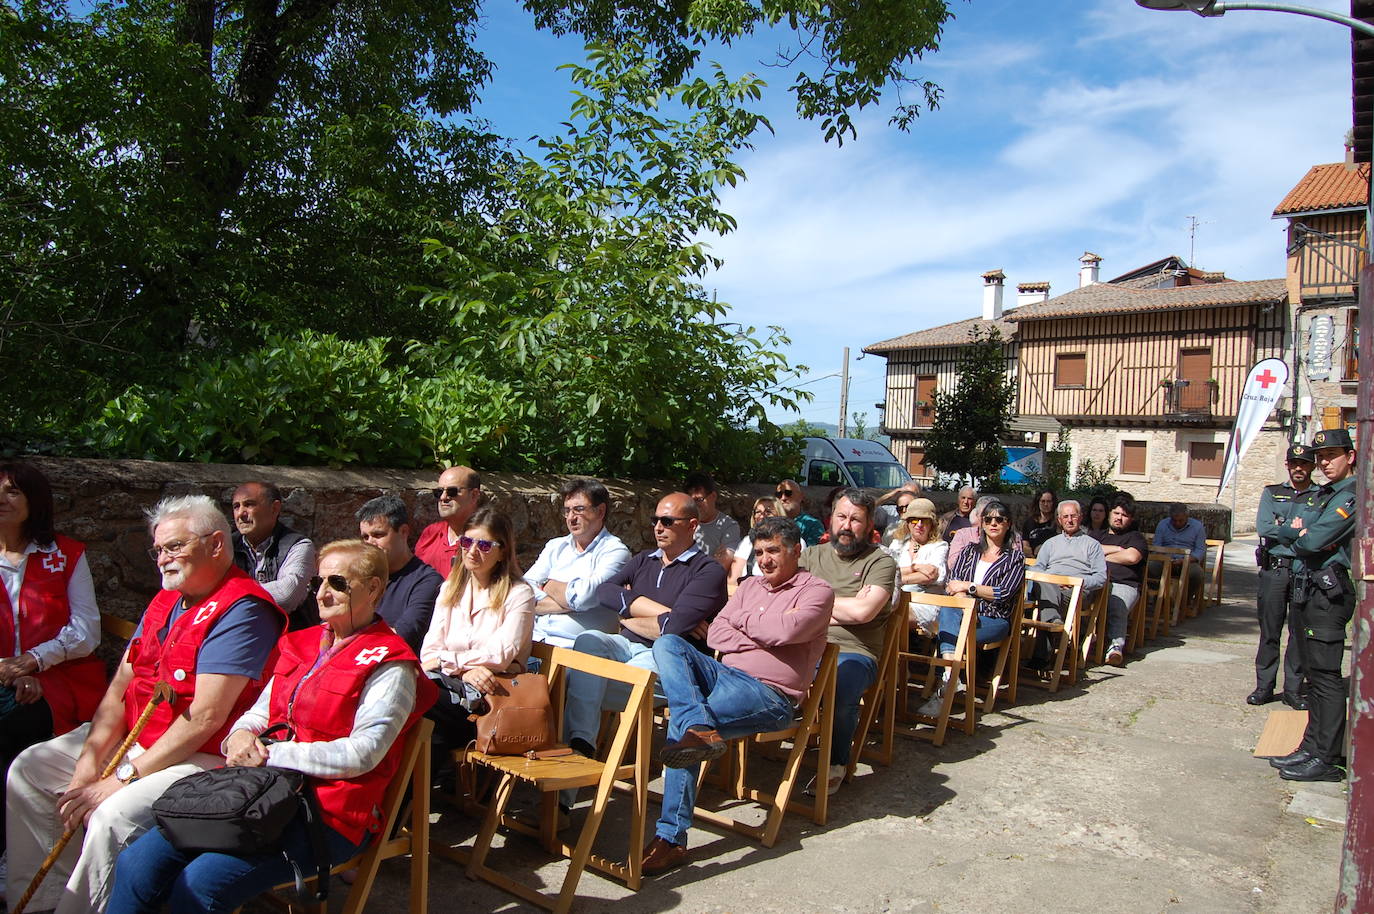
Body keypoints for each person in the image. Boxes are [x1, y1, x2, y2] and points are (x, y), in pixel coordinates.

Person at [106, 540, 436, 914]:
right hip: (257, 791)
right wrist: (241, 734)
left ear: (374, 588)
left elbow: (363, 753)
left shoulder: (391, 665)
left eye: (338, 583)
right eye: (318, 583)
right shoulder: (304, 642)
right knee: (138, 863)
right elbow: (261, 710)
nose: (324, 593)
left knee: (201, 886)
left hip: (326, 811)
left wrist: (270, 754)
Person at [7, 495, 284, 914]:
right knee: (29, 770)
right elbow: (122, 683)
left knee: (110, 816)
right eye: (157, 550)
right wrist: (88, 762)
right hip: (144, 735)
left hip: (202, 754)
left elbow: (206, 718)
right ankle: (40, 901)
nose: (162, 559)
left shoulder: (243, 610)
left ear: (215, 544)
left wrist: (119, 778)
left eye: (174, 547)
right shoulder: (167, 599)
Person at [641, 516, 832, 875]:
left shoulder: (816, 591)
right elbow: (716, 636)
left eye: (773, 550)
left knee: (684, 732)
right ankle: (697, 723)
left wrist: (745, 623)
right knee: (668, 642)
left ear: (796, 550)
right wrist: (763, 629)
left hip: (770, 695)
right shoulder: (748, 587)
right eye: (759, 552)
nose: (765, 559)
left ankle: (670, 838)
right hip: (725, 674)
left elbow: (787, 631)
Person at [563, 494, 727, 766]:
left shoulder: (707, 572)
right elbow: (604, 592)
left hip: (672, 661)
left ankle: (574, 765)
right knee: (587, 642)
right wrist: (665, 614)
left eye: (667, 521)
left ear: (692, 525)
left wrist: (626, 611)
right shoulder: (643, 560)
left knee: (575, 683)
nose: (658, 527)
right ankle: (581, 745)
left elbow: (672, 631)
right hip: (627, 647)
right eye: (655, 520)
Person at [0, 463, 106, 865]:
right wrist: (7, 672)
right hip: (7, 676)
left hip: (62, 676)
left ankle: (14, 854)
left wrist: (32, 663)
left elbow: (86, 629)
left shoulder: (64, 554)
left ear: (34, 501)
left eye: (12, 492)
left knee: (14, 727)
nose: (1, 499)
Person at [1271, 428, 1358, 783]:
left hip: (1329, 594)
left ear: (1350, 456)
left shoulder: (1350, 495)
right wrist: (1302, 533)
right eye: (1320, 457)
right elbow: (1290, 530)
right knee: (1312, 676)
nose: (1323, 463)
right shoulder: (1324, 494)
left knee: (1325, 678)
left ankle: (1327, 756)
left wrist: (1302, 533)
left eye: (1331, 456)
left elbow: (1313, 537)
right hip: (1309, 589)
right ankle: (1311, 747)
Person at [798, 489, 896, 797]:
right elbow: (785, 599)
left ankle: (836, 762)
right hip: (803, 644)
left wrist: (812, 606)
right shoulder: (811, 555)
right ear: (830, 519)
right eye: (841, 516)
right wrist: (841, 608)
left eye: (856, 519)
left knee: (841, 682)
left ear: (869, 527)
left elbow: (863, 612)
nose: (846, 524)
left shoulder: (880, 563)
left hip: (854, 652)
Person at [419, 507, 535, 755]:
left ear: (502, 551)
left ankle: (415, 789)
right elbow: (429, 651)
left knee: (416, 699)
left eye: (483, 545)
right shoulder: (451, 588)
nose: (471, 551)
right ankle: (418, 788)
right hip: (452, 690)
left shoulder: (519, 594)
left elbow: (499, 656)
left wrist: (445, 661)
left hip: (489, 703)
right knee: (415, 705)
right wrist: (465, 672)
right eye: (466, 541)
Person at [925, 500, 1025, 715]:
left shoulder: (1015, 558)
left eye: (1000, 519)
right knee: (950, 608)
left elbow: (1003, 593)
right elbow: (953, 581)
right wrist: (962, 594)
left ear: (1008, 524)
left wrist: (969, 588)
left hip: (993, 618)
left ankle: (946, 685)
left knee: (950, 626)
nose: (993, 523)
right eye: (988, 519)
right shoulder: (969, 551)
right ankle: (952, 678)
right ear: (982, 523)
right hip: (961, 612)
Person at [527, 478, 631, 648]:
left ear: (600, 511)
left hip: (575, 650)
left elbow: (586, 597)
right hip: (534, 640)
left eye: (578, 510)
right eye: (567, 511)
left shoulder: (615, 552)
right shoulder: (555, 546)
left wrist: (547, 585)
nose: (571, 518)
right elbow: (523, 590)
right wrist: (569, 602)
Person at [1249, 444, 1316, 709]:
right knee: (1269, 631)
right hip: (1274, 569)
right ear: (1287, 465)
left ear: (1311, 467)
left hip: (1304, 569)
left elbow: (1318, 532)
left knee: (1299, 633)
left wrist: (1283, 528)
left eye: (1304, 463)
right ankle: (1263, 687)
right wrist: (1298, 530)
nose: (1299, 468)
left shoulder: (1320, 495)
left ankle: (1293, 690)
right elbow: (1264, 527)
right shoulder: (1272, 493)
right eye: (1294, 463)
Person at [356, 495, 443, 653]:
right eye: (365, 537)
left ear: (403, 532)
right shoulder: (359, 577)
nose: (369, 544)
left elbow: (403, 636)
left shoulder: (427, 581)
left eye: (378, 535)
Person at [1027, 500, 1107, 671]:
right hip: (1050, 587)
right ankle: (1053, 622)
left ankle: (1042, 655)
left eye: (1073, 516)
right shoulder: (1051, 543)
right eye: (1065, 517)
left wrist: (1074, 580)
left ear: (1080, 517)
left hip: (1075, 592)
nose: (1069, 520)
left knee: (1045, 597)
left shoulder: (1092, 545)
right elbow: (1039, 567)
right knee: (1043, 580)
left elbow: (1101, 577)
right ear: (1059, 520)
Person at [229, 481, 317, 629]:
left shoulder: (298, 545)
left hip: (287, 637)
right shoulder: (226, 546)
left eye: (249, 504)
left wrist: (228, 595)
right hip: (236, 630)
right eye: (236, 506)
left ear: (275, 508)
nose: (241, 514)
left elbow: (287, 595)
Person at [1095, 496, 1148, 667]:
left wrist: (1100, 555)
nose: (1119, 517)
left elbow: (1132, 557)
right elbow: (1085, 553)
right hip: (1096, 581)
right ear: (1109, 514)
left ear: (1130, 518)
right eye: (1116, 513)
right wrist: (1117, 551)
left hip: (1124, 584)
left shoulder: (1135, 538)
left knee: (1117, 602)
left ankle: (1115, 646)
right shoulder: (1097, 535)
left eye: (1124, 515)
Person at [892, 498, 948, 636]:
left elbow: (933, 576)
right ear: (908, 522)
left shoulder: (939, 546)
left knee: (890, 616)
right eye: (915, 520)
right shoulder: (898, 544)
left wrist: (897, 579)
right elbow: (887, 571)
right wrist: (915, 568)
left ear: (932, 524)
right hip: (897, 600)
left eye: (925, 520)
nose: (919, 525)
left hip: (925, 604)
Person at [414, 466, 482, 576]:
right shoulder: (431, 533)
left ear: (474, 495)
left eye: (452, 491)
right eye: (439, 492)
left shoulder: (485, 541)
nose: (443, 497)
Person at [1151, 503, 1206, 606]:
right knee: (1148, 567)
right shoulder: (1163, 524)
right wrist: (1163, 557)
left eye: (1181, 520)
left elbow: (1200, 550)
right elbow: (1156, 545)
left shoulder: (1197, 527)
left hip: (1186, 560)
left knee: (1196, 574)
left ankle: (1184, 600)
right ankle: (1159, 596)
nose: (1177, 523)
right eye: (1174, 520)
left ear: (1187, 517)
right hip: (1165, 559)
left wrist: (1186, 560)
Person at [684, 472, 741, 571]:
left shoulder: (729, 526)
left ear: (713, 496)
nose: (694, 505)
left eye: (699, 499)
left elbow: (721, 566)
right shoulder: (683, 523)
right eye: (691, 500)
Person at [731, 496, 785, 583]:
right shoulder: (747, 541)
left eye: (768, 511)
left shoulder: (791, 540)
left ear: (779, 514)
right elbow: (733, 577)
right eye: (758, 512)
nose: (762, 515)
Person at [946, 496, 995, 573]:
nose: (992, 522)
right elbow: (953, 564)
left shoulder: (1012, 537)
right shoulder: (963, 535)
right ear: (977, 516)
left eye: (997, 518)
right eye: (984, 516)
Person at [774, 480, 823, 545]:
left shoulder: (813, 525)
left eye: (788, 493)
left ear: (800, 497)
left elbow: (814, 553)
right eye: (779, 494)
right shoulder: (771, 522)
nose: (783, 498)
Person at [1020, 488, 1058, 558]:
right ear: (1038, 502)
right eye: (1043, 501)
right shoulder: (1029, 523)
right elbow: (1025, 545)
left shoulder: (1058, 522)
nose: (1046, 504)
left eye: (1049, 501)